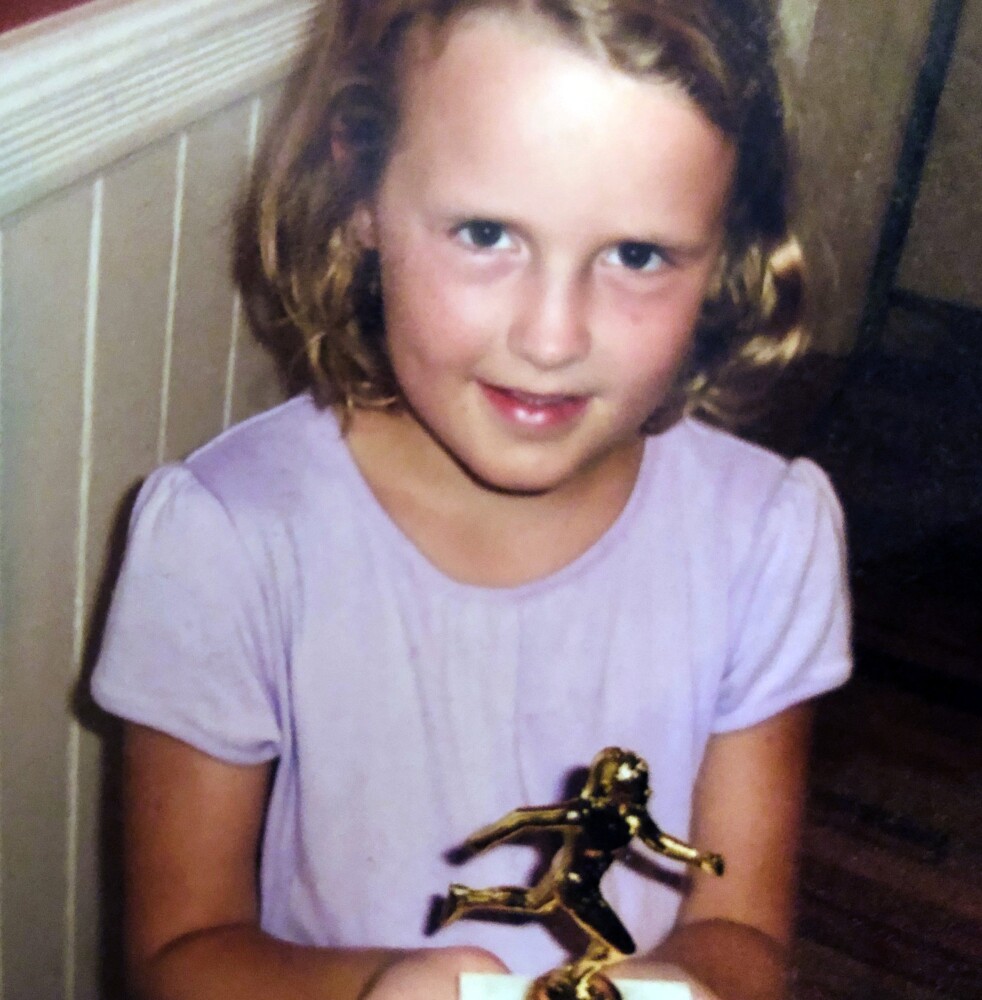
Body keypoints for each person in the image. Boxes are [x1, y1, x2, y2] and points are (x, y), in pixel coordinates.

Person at [91, 2, 851, 1000]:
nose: (550, 337)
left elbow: (741, 932)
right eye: (487, 233)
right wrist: (380, 988)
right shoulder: (227, 537)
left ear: (725, 247)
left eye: (636, 255)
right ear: (361, 193)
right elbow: (179, 954)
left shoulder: (763, 538)